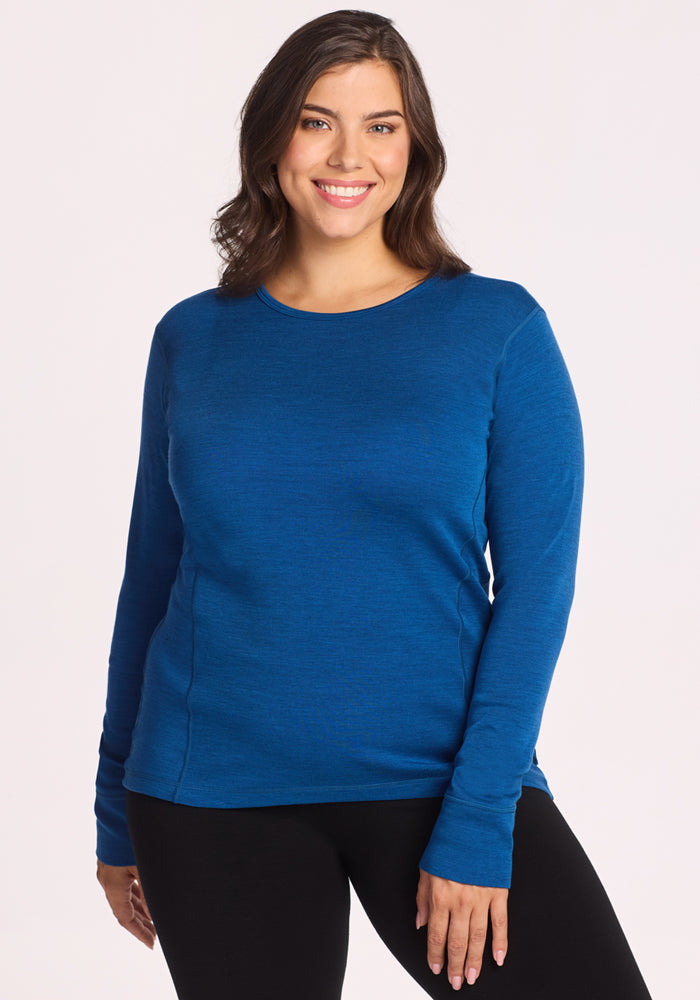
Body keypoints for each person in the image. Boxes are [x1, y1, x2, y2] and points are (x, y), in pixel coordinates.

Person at [95, 10, 653, 999]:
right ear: (272, 140)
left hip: (437, 782)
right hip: (209, 791)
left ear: (415, 148)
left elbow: (535, 590)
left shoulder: (496, 331)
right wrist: (112, 805)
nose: (348, 154)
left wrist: (481, 815)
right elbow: (153, 571)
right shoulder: (193, 338)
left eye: (381, 125)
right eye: (316, 121)